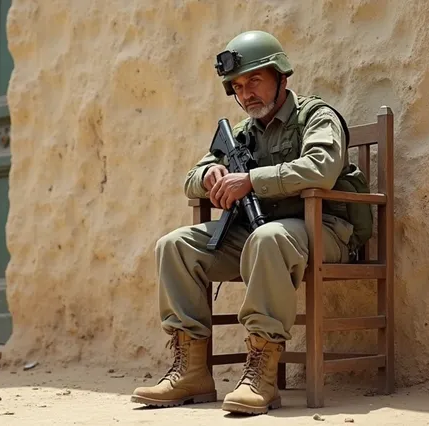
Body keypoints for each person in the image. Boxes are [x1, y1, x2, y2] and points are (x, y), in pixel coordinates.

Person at [131, 30, 372, 415]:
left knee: (269, 238)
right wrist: (210, 174)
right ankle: (191, 371)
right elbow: (190, 177)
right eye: (238, 86)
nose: (246, 94)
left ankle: (261, 373)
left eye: (255, 80)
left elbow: (321, 169)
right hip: (264, 235)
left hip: (324, 229)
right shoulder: (243, 133)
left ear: (281, 77)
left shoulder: (316, 116)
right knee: (175, 246)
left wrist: (252, 180)